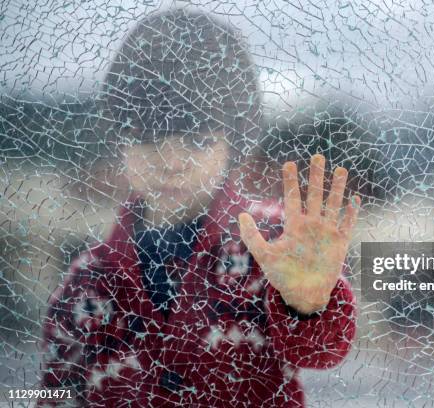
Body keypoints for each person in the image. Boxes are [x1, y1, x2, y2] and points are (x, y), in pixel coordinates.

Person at [38, 7, 360, 407]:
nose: (170, 162)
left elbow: (319, 353)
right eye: (147, 137)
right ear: (118, 138)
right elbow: (58, 395)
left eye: (198, 141)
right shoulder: (86, 281)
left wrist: (308, 304)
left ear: (234, 143)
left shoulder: (273, 244)